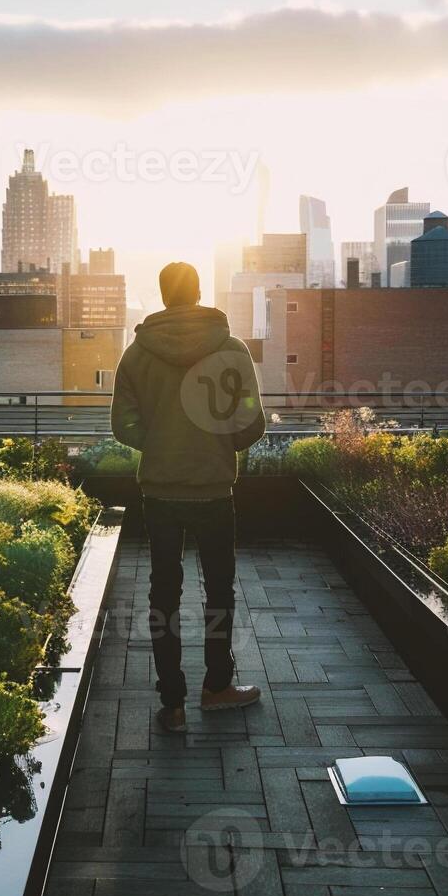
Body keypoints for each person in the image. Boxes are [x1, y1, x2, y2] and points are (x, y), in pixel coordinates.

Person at [111, 262, 267, 734]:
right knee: (219, 591)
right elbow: (252, 421)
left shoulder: (136, 355)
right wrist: (218, 446)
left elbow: (123, 425)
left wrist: (160, 446)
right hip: (215, 490)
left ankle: (173, 704)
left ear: (162, 297)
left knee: (164, 594)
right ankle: (217, 687)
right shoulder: (233, 350)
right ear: (198, 293)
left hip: (159, 492)